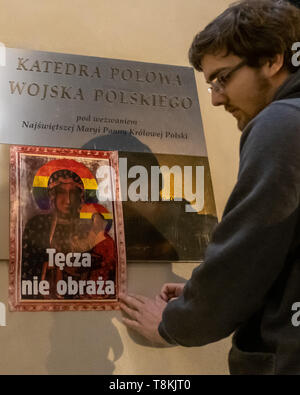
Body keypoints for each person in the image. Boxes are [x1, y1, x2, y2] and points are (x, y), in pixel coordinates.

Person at [120, 0, 300, 375]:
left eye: (223, 78)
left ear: (271, 60)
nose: (217, 98)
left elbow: (248, 248)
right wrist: (198, 292)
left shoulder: (282, 123)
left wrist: (175, 324)